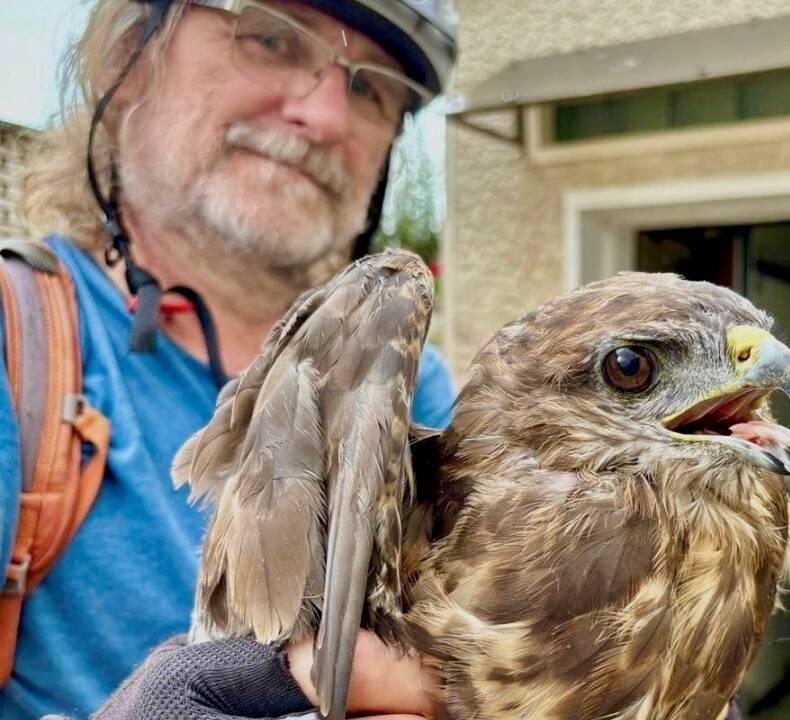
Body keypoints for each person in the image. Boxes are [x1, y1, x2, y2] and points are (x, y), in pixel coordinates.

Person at [0, 0, 458, 717]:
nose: (328, 116)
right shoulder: (15, 341)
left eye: (370, 88)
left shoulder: (417, 386)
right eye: (273, 40)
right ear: (129, 58)